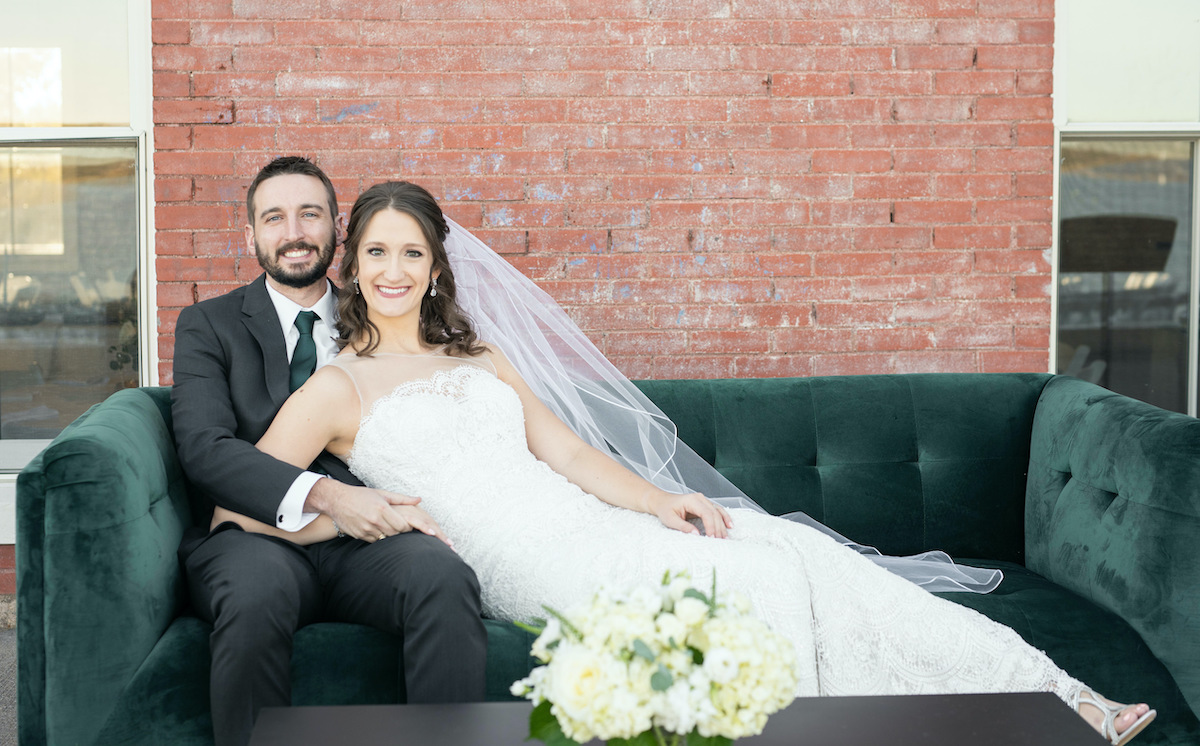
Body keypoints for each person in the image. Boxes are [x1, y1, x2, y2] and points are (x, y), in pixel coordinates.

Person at [213, 180, 1157, 746]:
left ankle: (1067, 699)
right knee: (753, 587)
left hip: (589, 518)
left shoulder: (481, 359)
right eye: (375, 250)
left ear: (434, 263)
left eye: (409, 251)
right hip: (526, 559)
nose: (392, 268)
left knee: (791, 551)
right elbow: (239, 509)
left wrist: (660, 499)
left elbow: (573, 453)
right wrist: (352, 507)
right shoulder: (334, 388)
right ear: (352, 262)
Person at [171, 160, 487, 746]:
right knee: (255, 593)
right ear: (251, 236)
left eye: (309, 214)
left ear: (338, 229)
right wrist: (329, 497)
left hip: (367, 546)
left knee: (442, 575)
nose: (293, 231)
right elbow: (205, 449)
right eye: (274, 217)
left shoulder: (380, 310)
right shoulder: (207, 326)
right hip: (254, 536)